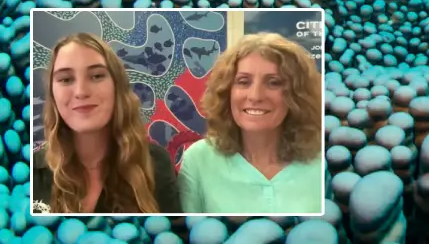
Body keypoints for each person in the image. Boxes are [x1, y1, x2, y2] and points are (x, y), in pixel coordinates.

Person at [32, 33, 181, 214]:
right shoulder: (32, 171)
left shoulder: (156, 162)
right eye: (65, 79)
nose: (80, 92)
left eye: (96, 76)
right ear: (53, 94)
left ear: (116, 86)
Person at [177, 33, 323, 214]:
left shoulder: (321, 161)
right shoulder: (198, 159)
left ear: (297, 95)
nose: (255, 96)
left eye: (273, 83)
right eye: (243, 82)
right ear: (227, 91)